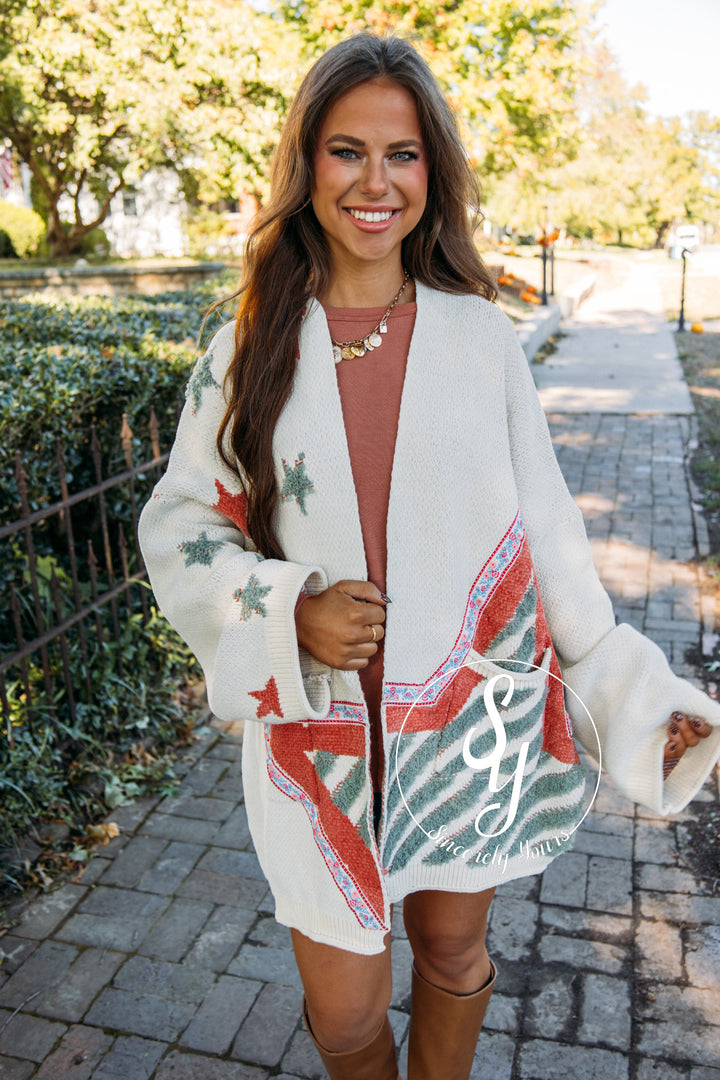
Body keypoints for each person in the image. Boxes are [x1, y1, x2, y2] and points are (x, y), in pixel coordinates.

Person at [138, 33, 720, 1080]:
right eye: (345, 150)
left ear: (431, 171)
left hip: (469, 728)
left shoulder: (479, 337)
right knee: (350, 1013)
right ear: (307, 164)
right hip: (319, 732)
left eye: (401, 154)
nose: (374, 180)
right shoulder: (251, 341)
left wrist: (638, 699)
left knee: (454, 959)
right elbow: (180, 523)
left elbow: (548, 537)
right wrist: (287, 609)